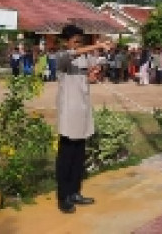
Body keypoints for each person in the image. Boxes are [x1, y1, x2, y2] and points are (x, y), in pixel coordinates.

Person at [55, 24, 112, 214]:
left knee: (79, 155)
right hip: (69, 112)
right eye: (75, 40)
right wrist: (98, 46)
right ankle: (63, 197)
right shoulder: (61, 57)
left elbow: (88, 78)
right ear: (67, 41)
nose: (78, 43)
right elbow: (73, 54)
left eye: (81, 40)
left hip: (83, 111)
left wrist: (93, 75)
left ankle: (75, 192)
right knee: (66, 156)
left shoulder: (85, 58)